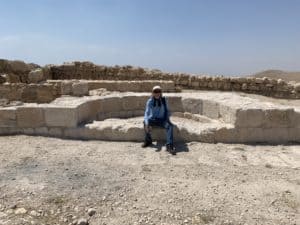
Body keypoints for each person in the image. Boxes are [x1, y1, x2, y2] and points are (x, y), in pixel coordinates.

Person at [142, 85, 175, 155]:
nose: (157, 93)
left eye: (158, 91)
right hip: (153, 119)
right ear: (152, 93)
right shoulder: (150, 101)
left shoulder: (164, 100)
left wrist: (168, 120)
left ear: (161, 92)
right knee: (145, 122)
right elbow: (146, 113)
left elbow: (167, 111)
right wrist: (147, 123)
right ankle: (148, 141)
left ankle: (169, 145)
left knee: (170, 126)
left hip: (162, 120)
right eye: (155, 91)